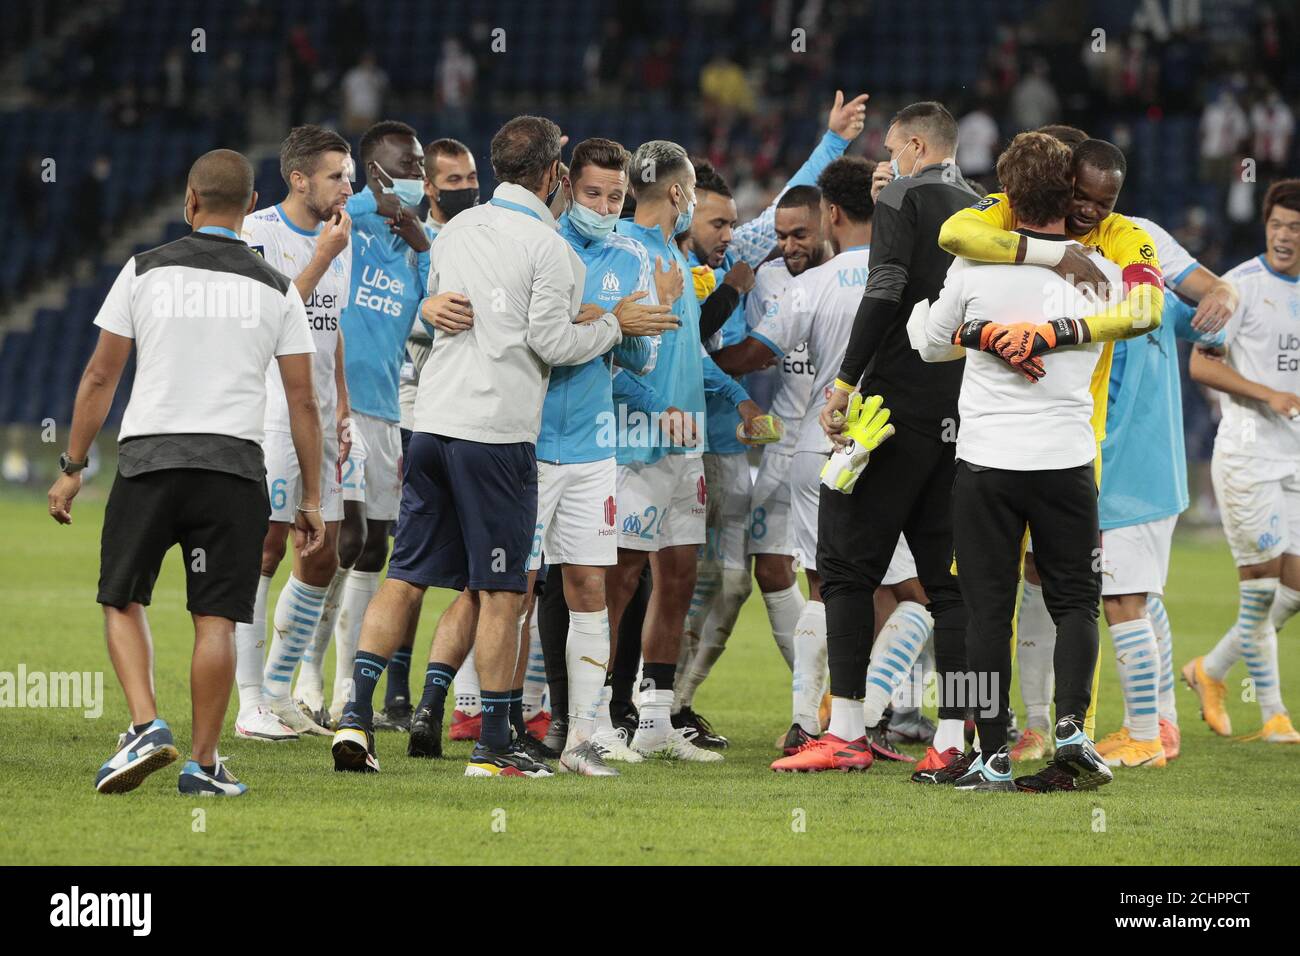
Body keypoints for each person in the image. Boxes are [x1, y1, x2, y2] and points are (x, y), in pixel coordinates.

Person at [330, 115, 637, 778]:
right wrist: (612, 325)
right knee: (500, 591)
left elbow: (437, 308)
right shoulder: (552, 249)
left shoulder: (458, 227)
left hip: (433, 425)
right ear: (555, 175)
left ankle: (355, 715)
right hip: (494, 437)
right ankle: (494, 744)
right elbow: (554, 345)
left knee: (407, 575)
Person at [50, 149, 325, 797]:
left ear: (189, 202)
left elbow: (98, 375)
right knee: (216, 619)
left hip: (151, 460)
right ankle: (203, 766)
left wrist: (73, 466)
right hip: (233, 470)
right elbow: (303, 401)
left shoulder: (143, 270)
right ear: (252, 207)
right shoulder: (278, 288)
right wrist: (312, 495)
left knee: (122, 597)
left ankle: (146, 724)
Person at [936, 132, 1166, 775]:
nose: (1092, 211)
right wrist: (1056, 265)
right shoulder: (1105, 275)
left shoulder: (982, 256)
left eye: (1104, 201)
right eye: (1081, 197)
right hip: (1065, 455)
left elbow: (927, 335)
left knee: (978, 603)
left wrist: (991, 331)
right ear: (1062, 189)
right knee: (1067, 600)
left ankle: (977, 745)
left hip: (977, 453)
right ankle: (1057, 732)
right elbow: (1143, 308)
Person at [674, 93, 868, 743]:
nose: (744, 236)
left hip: (753, 442)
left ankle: (825, 710)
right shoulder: (673, 264)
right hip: (685, 440)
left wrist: (832, 141)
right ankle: (648, 706)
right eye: (718, 223)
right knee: (703, 577)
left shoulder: (751, 250)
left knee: (749, 579)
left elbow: (798, 200)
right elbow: (715, 353)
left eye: (736, 225)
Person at [812, 102, 978, 774]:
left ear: (914, 145)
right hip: (963, 418)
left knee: (846, 567)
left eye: (891, 151)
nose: (887, 164)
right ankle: (953, 739)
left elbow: (884, 290)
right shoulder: (982, 206)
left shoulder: (904, 195)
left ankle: (846, 731)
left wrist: (846, 381)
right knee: (953, 588)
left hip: (893, 411)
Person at [292, 121, 436, 732]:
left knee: (376, 544)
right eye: (411, 165)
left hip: (388, 408)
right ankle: (305, 678)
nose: (421, 177)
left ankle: (353, 685)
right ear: (376, 171)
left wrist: (422, 239)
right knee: (341, 539)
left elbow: (435, 304)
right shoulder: (341, 223)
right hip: (337, 407)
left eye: (423, 166)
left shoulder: (412, 240)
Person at [233, 125, 354, 742]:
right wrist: (322, 258)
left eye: (350, 175)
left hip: (321, 416)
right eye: (337, 176)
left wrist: (344, 408)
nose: (348, 187)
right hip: (272, 416)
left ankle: (279, 691)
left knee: (323, 553)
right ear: (299, 179)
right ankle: (251, 702)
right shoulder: (258, 235)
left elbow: (330, 332)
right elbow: (268, 322)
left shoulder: (342, 236)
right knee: (265, 549)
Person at [1184, 178, 1300, 746]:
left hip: (1297, 456)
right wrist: (1266, 394)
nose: (1283, 236)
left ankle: (1210, 669)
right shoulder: (1237, 287)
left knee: (1295, 589)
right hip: (1250, 448)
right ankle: (1275, 714)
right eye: (1277, 224)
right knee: (1260, 586)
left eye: (1295, 227)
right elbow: (1203, 365)